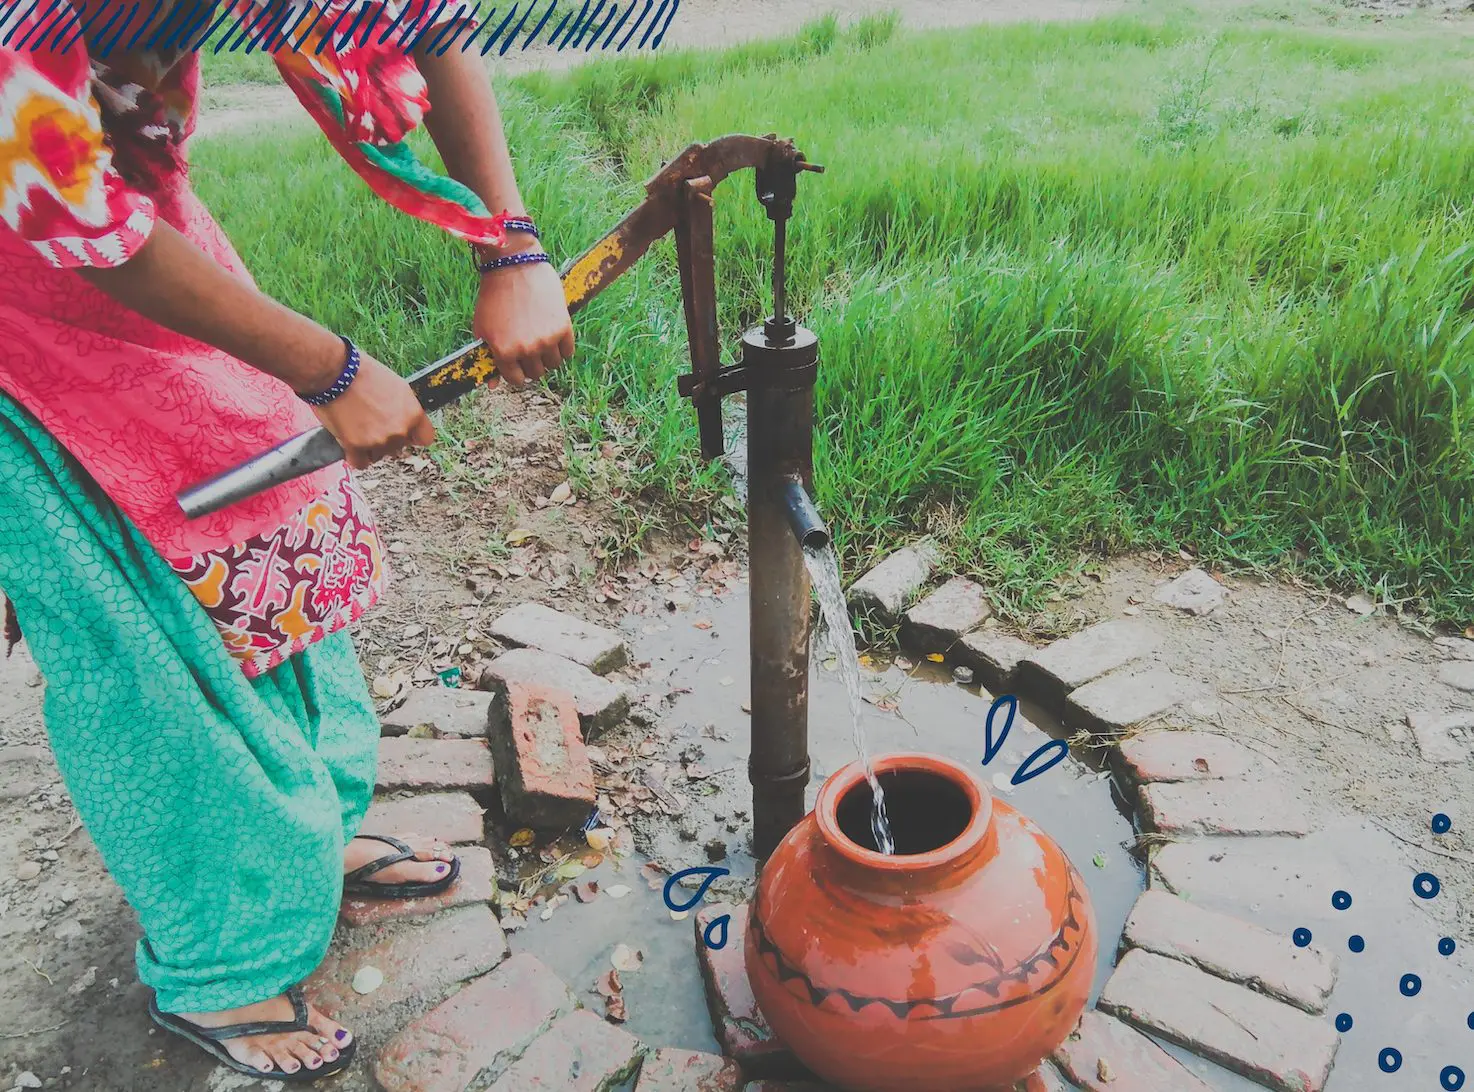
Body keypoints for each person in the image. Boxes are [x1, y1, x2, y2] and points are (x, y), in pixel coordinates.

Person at [0, 0, 574, 1080]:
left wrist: (511, 243)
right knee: (148, 646)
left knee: (271, 540)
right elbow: (68, 215)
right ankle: (222, 968)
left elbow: (426, 23)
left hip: (144, 238)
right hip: (26, 319)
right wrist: (333, 369)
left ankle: (304, 847)